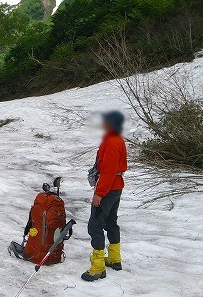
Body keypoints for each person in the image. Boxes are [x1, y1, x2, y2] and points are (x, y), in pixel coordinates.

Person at [81, 111, 127, 282]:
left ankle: (98, 267)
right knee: (110, 222)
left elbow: (108, 171)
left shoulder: (111, 142)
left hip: (108, 189)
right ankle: (114, 259)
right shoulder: (117, 139)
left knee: (95, 225)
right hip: (116, 187)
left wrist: (99, 193)